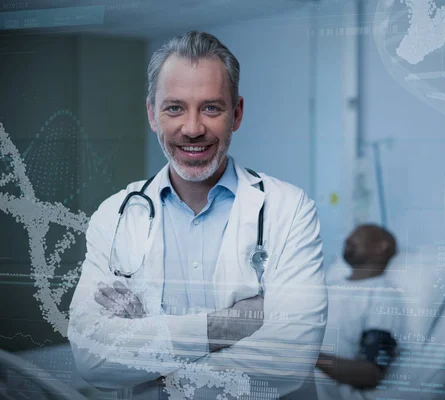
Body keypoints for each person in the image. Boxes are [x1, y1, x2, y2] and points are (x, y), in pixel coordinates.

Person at [67, 31, 327, 399]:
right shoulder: (115, 216)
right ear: (152, 115)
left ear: (235, 114)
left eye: (211, 108)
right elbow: (92, 358)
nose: (192, 128)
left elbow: (288, 360)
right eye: (174, 108)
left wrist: (155, 359)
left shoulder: (289, 208)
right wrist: (230, 326)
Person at [314, 224, 404, 400]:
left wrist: (307, 357)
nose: (347, 239)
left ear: (381, 246)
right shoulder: (328, 286)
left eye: (358, 234)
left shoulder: (383, 295)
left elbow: (370, 373)